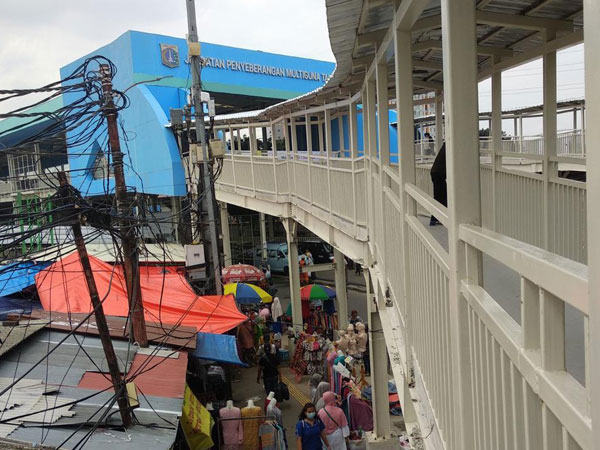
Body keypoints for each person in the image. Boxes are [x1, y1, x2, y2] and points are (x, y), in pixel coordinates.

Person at [430, 142, 446, 226]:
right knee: (441, 196)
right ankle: (434, 219)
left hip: (436, 173)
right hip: (438, 174)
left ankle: (436, 218)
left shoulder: (445, 146)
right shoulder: (449, 147)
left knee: (440, 196)